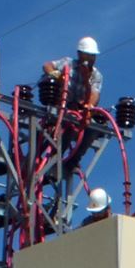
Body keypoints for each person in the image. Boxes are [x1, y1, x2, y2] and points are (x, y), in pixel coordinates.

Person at [44, 37, 103, 177]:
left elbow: (95, 93)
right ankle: (53, 159)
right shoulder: (67, 63)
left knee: (92, 129)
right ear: (79, 54)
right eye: (87, 55)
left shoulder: (96, 75)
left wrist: (90, 106)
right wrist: (55, 73)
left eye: (92, 56)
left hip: (79, 109)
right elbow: (47, 65)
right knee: (69, 126)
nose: (90, 59)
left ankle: (72, 162)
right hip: (61, 106)